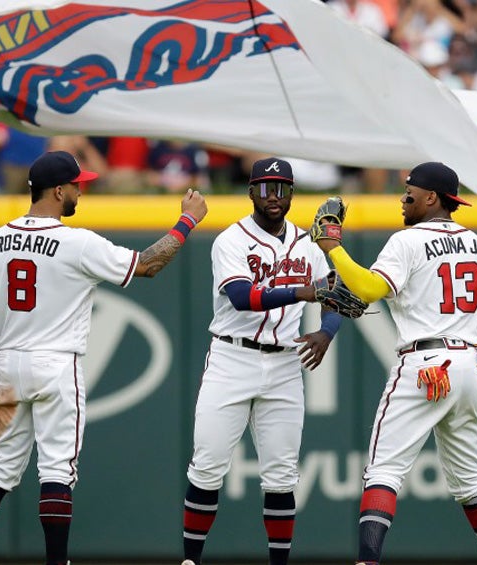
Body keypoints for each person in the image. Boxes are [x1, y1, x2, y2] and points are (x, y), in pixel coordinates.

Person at [0, 150, 207, 565]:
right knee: (57, 471)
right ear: (58, 190)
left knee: (1, 466)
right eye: (76, 185)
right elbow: (148, 265)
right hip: (57, 365)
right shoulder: (77, 242)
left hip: (8, 366)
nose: (80, 191)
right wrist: (188, 221)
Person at [311, 162, 477, 565]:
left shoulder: (407, 241)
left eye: (410, 192)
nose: (403, 197)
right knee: (471, 481)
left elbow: (369, 288)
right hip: (471, 369)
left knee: (383, 472)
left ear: (432, 198)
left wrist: (332, 247)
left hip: (423, 364)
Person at [180, 157, 346, 565]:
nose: (274, 197)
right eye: (266, 188)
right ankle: (190, 561)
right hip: (231, 358)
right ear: (251, 191)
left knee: (282, 476)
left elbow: (337, 293)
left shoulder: (310, 242)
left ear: (292, 193)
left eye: (282, 188)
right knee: (207, 467)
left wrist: (326, 332)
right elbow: (241, 297)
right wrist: (304, 293)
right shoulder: (231, 240)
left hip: (285, 365)